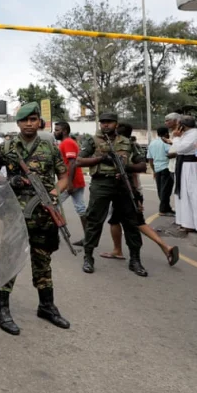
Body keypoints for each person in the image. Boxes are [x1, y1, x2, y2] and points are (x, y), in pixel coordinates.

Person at [0, 102, 70, 336]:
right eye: (24, 120)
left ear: (39, 122)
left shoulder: (50, 148)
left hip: (43, 216)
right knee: (9, 261)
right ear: (18, 123)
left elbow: (64, 177)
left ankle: (46, 306)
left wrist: (55, 192)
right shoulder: (6, 147)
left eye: (33, 119)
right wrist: (7, 181)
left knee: (43, 261)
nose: (29, 124)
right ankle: (1, 309)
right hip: (14, 215)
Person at [76, 113, 147, 276]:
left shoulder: (127, 142)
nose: (105, 125)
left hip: (123, 184)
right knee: (94, 220)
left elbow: (142, 165)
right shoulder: (92, 140)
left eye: (109, 122)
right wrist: (101, 159)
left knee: (131, 222)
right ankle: (88, 257)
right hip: (102, 183)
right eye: (103, 122)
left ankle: (135, 259)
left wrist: (126, 168)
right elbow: (79, 161)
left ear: (116, 124)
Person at [100, 123, 180, 267]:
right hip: (131, 191)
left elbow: (133, 175)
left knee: (138, 223)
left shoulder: (125, 150)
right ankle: (118, 250)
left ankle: (165, 247)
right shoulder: (133, 146)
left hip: (130, 192)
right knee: (117, 221)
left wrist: (136, 197)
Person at [167, 116, 197, 233]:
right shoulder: (187, 135)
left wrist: (176, 138)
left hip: (190, 166)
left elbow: (180, 149)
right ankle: (186, 221)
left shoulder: (193, 135)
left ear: (183, 125)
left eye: (178, 125)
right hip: (184, 165)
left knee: (192, 193)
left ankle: (194, 223)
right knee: (184, 194)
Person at [54, 121, 87, 246]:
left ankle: (54, 236)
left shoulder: (67, 143)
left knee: (52, 205)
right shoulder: (65, 143)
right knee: (81, 208)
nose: (55, 132)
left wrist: (70, 183)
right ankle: (88, 238)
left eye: (57, 130)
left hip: (70, 181)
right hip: (72, 180)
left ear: (65, 131)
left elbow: (72, 163)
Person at [147, 126, 174, 216]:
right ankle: (163, 210)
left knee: (160, 189)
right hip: (166, 167)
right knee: (166, 190)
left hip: (157, 168)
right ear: (166, 133)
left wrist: (153, 170)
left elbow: (150, 158)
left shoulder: (152, 143)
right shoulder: (166, 143)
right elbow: (171, 154)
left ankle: (167, 207)